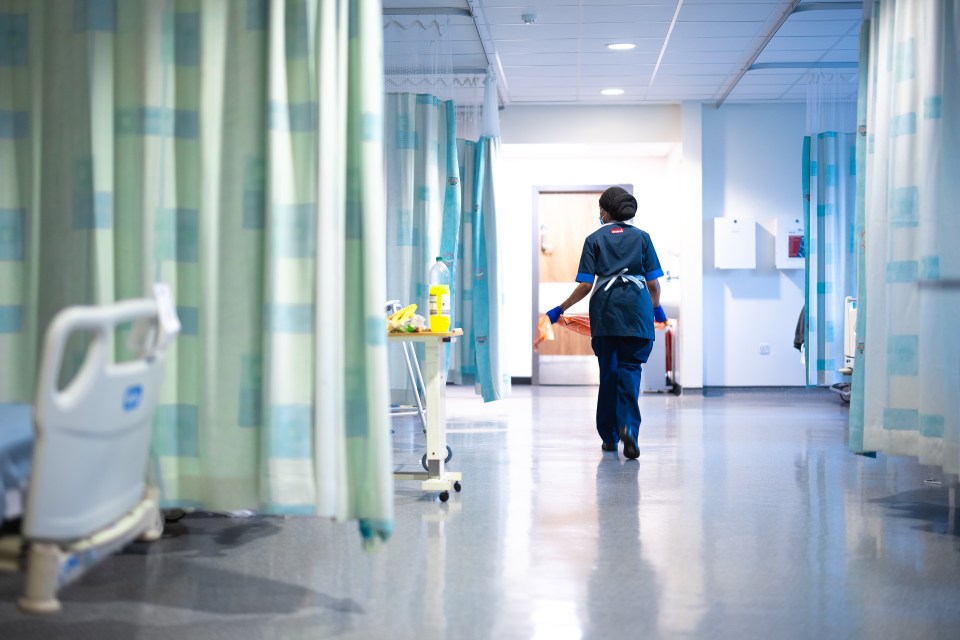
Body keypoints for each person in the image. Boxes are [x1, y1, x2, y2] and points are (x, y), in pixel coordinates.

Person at [543, 186, 666, 459]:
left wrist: (560, 309)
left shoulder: (593, 239)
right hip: (637, 313)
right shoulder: (643, 238)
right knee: (630, 371)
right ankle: (629, 430)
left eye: (601, 208)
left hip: (606, 313)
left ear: (606, 211)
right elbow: (654, 284)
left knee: (609, 373)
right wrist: (656, 309)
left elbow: (586, 285)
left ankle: (610, 438)